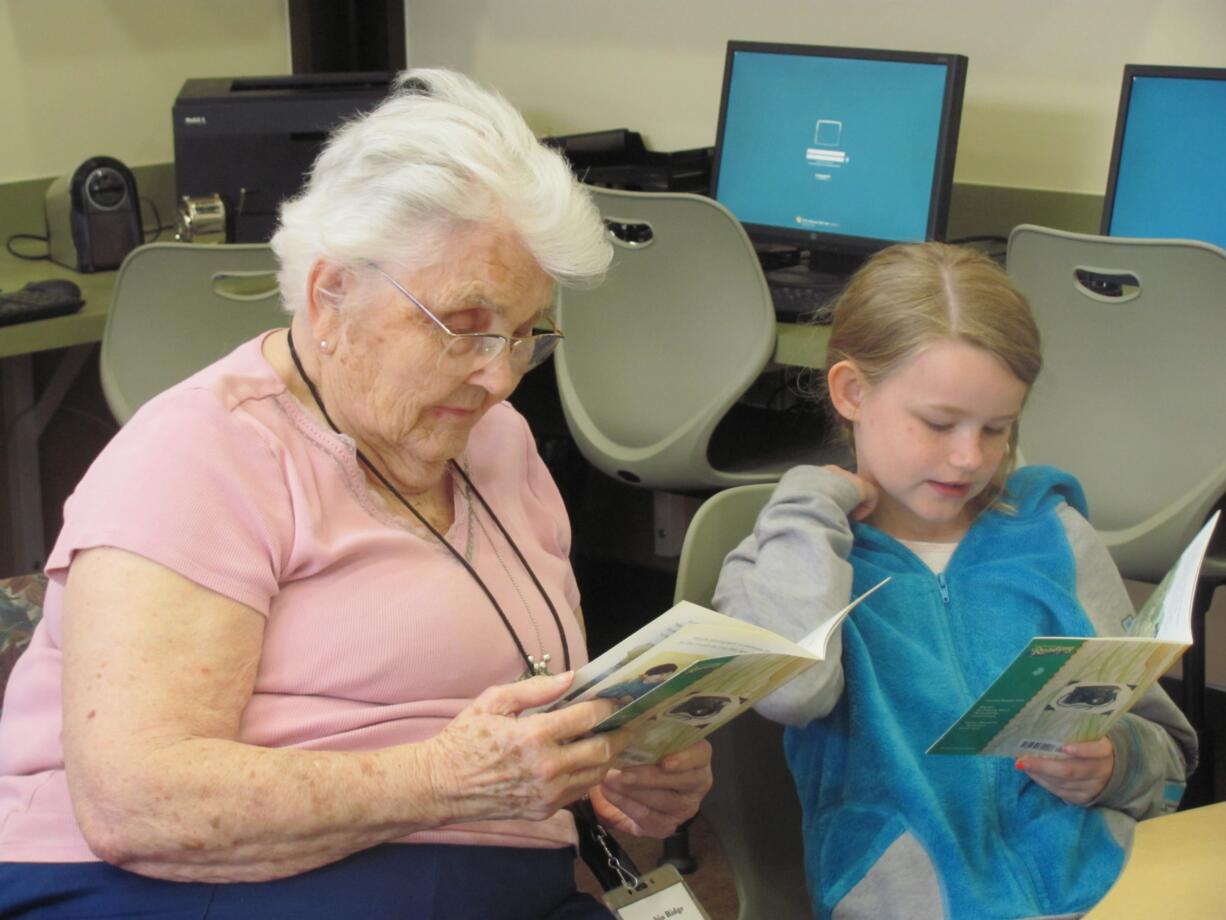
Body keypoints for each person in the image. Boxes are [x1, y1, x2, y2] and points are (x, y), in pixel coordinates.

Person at [0, 69, 712, 919]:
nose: (499, 377)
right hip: (183, 887)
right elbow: (135, 805)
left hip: (475, 880)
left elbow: (520, 694)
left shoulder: (496, 443)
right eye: (465, 326)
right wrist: (442, 780)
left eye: (527, 336)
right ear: (331, 293)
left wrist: (611, 760)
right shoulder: (198, 454)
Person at [713, 242, 1196, 920]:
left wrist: (1115, 763)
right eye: (938, 424)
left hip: (1102, 892)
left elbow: (1168, 759)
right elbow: (793, 691)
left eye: (997, 428)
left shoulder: (1055, 536)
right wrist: (809, 500)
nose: (969, 457)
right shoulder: (786, 557)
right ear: (852, 392)